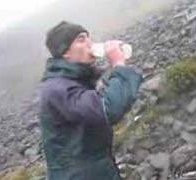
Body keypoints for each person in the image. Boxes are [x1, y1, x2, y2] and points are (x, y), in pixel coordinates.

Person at [39, 21, 142, 180]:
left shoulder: (74, 82)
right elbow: (107, 109)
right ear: (65, 52)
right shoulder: (58, 89)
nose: (90, 43)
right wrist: (118, 65)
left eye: (89, 38)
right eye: (81, 39)